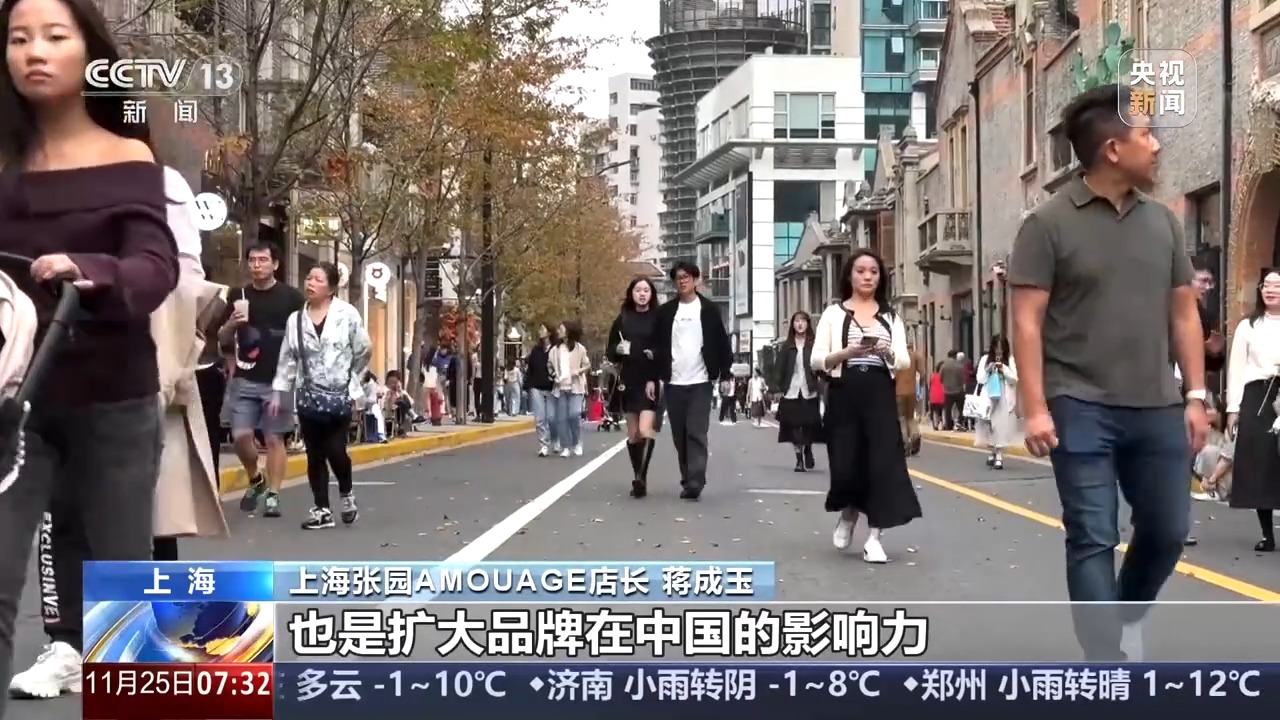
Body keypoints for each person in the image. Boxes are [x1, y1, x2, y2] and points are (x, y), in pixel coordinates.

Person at [0, 0, 182, 706]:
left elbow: (154, 266)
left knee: (122, 588)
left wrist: (91, 270)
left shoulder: (128, 156)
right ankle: (64, 648)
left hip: (113, 398)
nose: (34, 52)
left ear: (91, 54)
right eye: (18, 39)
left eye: (54, 36)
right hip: (12, 403)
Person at [1008, 84, 1209, 661]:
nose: (1157, 146)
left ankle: (1123, 614)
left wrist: (1196, 395)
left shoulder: (1163, 223)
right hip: (1078, 404)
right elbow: (1026, 322)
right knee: (1093, 534)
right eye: (1147, 135)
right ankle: (1104, 662)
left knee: (1168, 530)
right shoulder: (1046, 224)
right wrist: (1035, 407)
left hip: (1156, 403)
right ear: (1113, 149)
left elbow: (1184, 315)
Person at [811, 249, 922, 563]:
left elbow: (902, 359)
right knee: (846, 463)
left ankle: (875, 538)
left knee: (882, 465)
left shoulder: (890, 316)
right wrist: (847, 352)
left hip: (879, 393)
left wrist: (886, 352)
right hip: (844, 392)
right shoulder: (833, 314)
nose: (867, 276)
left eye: (873, 271)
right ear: (849, 275)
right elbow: (817, 359)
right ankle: (849, 513)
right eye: (860, 271)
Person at [272, 263, 371, 530]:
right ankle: (321, 509)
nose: (310, 283)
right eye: (308, 278)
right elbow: (287, 359)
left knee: (336, 450)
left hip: (339, 395)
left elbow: (363, 349)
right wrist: (280, 393)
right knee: (314, 453)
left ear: (331, 288)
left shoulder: (347, 315)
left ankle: (347, 494)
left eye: (317, 279)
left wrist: (351, 378)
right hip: (308, 396)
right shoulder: (295, 320)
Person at [218, 241, 305, 519]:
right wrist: (233, 324)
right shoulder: (238, 294)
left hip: (278, 382)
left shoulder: (292, 298)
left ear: (275, 264)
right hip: (245, 378)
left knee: (274, 438)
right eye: (253, 260)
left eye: (263, 260)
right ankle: (256, 478)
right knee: (240, 437)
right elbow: (222, 337)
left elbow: (302, 336)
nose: (257, 265)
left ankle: (273, 495)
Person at [652, 261, 733, 500]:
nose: (682, 281)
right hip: (674, 381)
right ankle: (688, 477)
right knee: (680, 434)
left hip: (701, 381)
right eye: (678, 278)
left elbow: (722, 343)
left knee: (696, 431)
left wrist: (725, 373)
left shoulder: (708, 310)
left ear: (696, 280)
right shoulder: (666, 312)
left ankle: (696, 480)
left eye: (686, 277)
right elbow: (657, 343)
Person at [1223, 269, 1280, 552]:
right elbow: (1236, 370)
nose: (1270, 290)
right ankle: (1268, 535)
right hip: (1258, 397)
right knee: (1261, 464)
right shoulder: (1248, 326)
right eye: (1266, 285)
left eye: (1277, 286)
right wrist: (1233, 409)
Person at [605, 277, 663, 497]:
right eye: (638, 290)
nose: (642, 294)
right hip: (628, 379)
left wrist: (654, 355)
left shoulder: (658, 319)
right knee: (633, 434)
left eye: (646, 290)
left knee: (646, 430)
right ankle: (638, 474)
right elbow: (610, 350)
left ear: (651, 294)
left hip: (650, 380)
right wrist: (617, 350)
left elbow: (665, 348)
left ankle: (640, 478)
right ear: (631, 293)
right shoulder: (623, 319)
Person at [773, 311, 824, 472]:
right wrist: (776, 388)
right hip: (791, 391)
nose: (800, 324)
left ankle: (808, 448)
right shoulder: (787, 346)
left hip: (810, 390)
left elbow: (821, 365)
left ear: (808, 323)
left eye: (803, 321)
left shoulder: (814, 344)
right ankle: (799, 460)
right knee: (793, 426)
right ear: (793, 324)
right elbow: (779, 368)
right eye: (797, 321)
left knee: (809, 425)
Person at [974, 334, 1021, 470]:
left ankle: (999, 455)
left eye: (1001, 348)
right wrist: (989, 369)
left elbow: (1014, 379)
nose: (999, 351)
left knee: (1000, 426)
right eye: (996, 348)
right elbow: (980, 379)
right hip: (988, 396)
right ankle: (992, 452)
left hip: (1003, 396)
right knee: (988, 425)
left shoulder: (1010, 360)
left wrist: (1004, 369)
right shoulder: (985, 359)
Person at [549, 320, 591, 458]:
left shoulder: (579, 349)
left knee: (574, 414)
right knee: (561, 419)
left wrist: (577, 371)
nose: (558, 331)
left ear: (568, 331)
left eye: (561, 329)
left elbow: (587, 365)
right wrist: (553, 375)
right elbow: (549, 365)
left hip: (576, 387)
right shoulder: (555, 350)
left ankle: (577, 442)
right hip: (560, 388)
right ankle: (565, 446)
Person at [525, 324, 558, 456]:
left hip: (552, 388)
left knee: (551, 418)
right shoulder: (536, 350)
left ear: (549, 333)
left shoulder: (556, 350)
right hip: (536, 387)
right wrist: (527, 386)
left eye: (542, 329)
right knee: (540, 418)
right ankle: (543, 445)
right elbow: (530, 370)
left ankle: (555, 439)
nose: (540, 331)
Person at [896, 337, 925, 455]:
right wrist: (920, 385)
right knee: (910, 417)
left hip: (898, 392)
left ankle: (905, 443)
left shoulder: (897, 356)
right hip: (912, 391)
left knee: (901, 418)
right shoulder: (915, 356)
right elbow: (922, 373)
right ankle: (915, 435)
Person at [938, 350, 966, 430]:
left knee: (948, 409)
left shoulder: (944, 366)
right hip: (958, 390)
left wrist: (945, 383)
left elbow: (940, 378)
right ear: (955, 356)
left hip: (947, 391)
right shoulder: (959, 365)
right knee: (961, 408)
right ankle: (960, 422)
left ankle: (949, 426)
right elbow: (962, 378)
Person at [928, 362, 946, 429]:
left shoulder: (932, 376)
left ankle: (935, 425)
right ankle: (944, 424)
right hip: (942, 395)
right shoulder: (944, 376)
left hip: (934, 395)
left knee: (935, 410)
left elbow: (930, 385)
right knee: (944, 409)